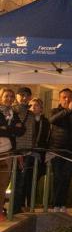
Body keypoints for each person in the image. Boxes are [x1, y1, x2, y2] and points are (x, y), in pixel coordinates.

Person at [12, 97, 48, 214]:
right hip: (25, 152)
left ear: (41, 108)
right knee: (23, 179)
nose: (32, 108)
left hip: (38, 154)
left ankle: (29, 203)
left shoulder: (44, 121)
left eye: (36, 105)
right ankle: (21, 204)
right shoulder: (26, 118)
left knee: (33, 180)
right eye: (31, 105)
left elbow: (46, 138)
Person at [0, 88, 25, 216]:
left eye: (11, 96)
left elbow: (22, 131)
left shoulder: (13, 113)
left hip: (8, 152)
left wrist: (6, 128)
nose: (9, 98)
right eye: (6, 96)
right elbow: (14, 130)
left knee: (4, 183)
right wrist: (12, 128)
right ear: (1, 97)